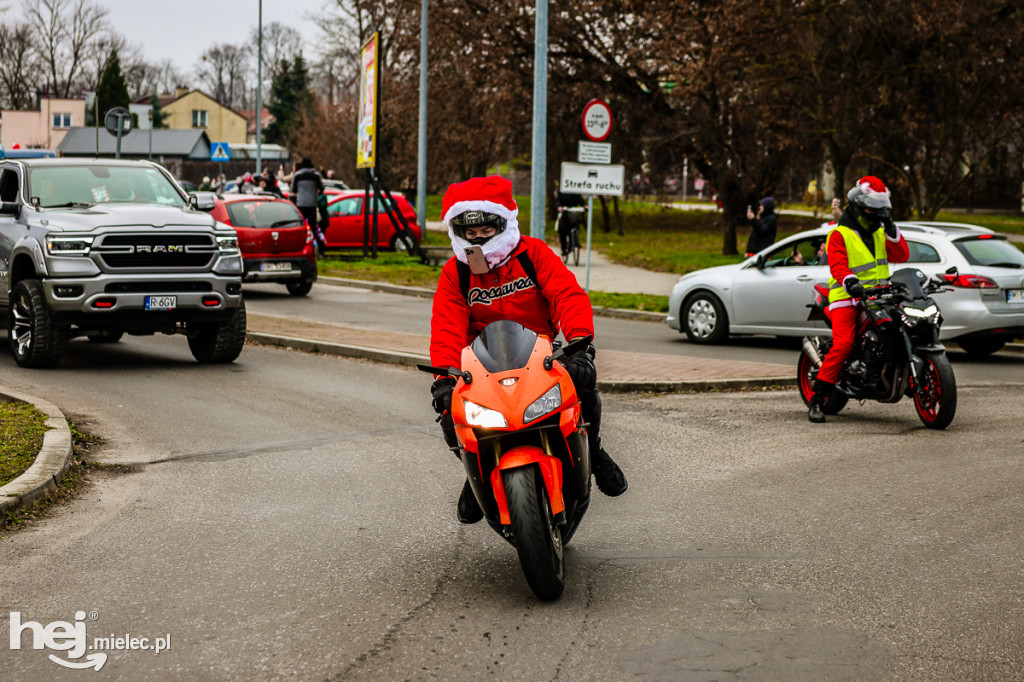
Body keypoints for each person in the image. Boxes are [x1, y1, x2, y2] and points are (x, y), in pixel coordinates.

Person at [428, 175, 628, 524]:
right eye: (469, 232)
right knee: (451, 415)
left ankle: (593, 451)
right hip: (483, 364)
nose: (478, 239)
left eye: (486, 230)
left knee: (583, 386)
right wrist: (446, 378)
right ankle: (474, 466)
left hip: (540, 355)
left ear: (502, 222)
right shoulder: (455, 274)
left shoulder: (534, 254)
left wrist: (581, 346)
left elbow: (567, 294)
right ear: (457, 231)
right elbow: (446, 326)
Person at [808, 176, 910, 423]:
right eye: (872, 210)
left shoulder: (878, 233)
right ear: (857, 207)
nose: (876, 214)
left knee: (904, 325)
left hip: (879, 296)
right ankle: (818, 399)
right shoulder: (839, 234)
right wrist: (850, 282)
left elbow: (902, 255)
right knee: (843, 344)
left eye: (880, 210)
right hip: (848, 298)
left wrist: (892, 228)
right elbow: (838, 267)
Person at [291, 158, 325, 252]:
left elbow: (293, 189)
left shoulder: (297, 175)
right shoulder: (316, 175)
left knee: (301, 226)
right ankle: (319, 248)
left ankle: (299, 246)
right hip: (312, 204)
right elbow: (322, 188)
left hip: (301, 204)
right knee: (313, 226)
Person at [554, 189, 586, 255]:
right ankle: (564, 248)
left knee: (575, 226)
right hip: (564, 214)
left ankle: (574, 243)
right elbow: (558, 201)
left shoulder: (575, 191)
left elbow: (581, 201)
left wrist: (585, 205)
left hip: (573, 214)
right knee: (562, 230)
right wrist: (559, 207)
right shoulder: (562, 192)